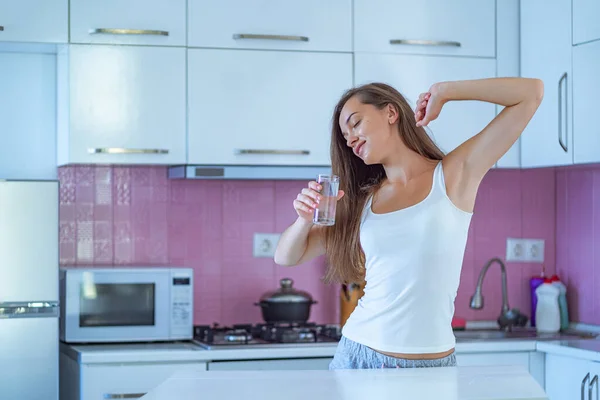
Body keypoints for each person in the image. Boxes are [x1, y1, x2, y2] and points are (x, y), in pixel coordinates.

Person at [274, 78, 543, 369]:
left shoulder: (453, 175)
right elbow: (287, 256)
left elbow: (530, 94)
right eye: (344, 135)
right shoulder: (362, 202)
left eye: (355, 123)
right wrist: (303, 220)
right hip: (361, 356)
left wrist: (447, 92)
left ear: (391, 113)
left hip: (435, 364)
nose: (349, 139)